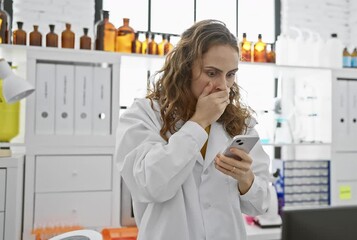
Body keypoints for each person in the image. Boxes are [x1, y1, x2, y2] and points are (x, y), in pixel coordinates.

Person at [115, 19, 271, 240]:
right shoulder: (145, 114)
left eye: (230, 74)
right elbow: (149, 185)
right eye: (211, 73)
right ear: (185, 69)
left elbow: (262, 204)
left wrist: (246, 179)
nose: (223, 86)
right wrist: (199, 122)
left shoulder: (240, 123)